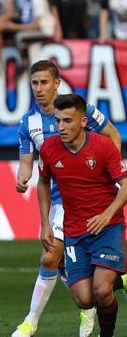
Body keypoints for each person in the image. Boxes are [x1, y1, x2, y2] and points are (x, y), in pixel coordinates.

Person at [13, 60, 126, 337]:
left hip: (89, 196)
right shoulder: (29, 123)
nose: (38, 89)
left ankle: (31, 322)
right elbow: (28, 164)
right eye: (34, 83)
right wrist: (21, 177)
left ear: (56, 83)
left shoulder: (82, 109)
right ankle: (92, 299)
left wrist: (98, 169)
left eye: (43, 82)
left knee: (51, 258)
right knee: (58, 261)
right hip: (60, 201)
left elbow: (113, 136)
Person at [38, 94, 127, 337]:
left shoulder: (103, 146)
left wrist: (108, 215)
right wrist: (45, 223)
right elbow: (43, 183)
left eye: (67, 121)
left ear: (84, 121)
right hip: (75, 231)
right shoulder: (49, 149)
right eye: (57, 121)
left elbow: (126, 184)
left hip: (107, 228)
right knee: (85, 300)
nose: (61, 127)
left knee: (101, 290)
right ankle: (121, 274)